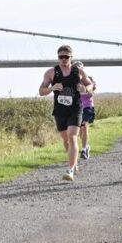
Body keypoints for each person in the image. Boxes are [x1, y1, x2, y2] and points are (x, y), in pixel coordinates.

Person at [38, 46, 93, 181]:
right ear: (58, 58)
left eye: (66, 57)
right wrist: (52, 88)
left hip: (75, 108)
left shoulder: (78, 71)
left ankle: (70, 170)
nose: (63, 59)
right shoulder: (51, 73)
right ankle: (74, 163)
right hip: (60, 110)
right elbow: (41, 91)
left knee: (72, 136)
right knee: (66, 140)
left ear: (71, 57)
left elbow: (91, 86)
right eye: (61, 57)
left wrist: (85, 88)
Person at [74, 61, 96, 160]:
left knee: (84, 126)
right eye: (76, 68)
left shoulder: (89, 79)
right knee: (79, 130)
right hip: (76, 107)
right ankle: (86, 146)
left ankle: (83, 150)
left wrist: (88, 91)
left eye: (80, 68)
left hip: (87, 106)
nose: (78, 69)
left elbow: (93, 91)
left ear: (83, 69)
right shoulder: (72, 80)